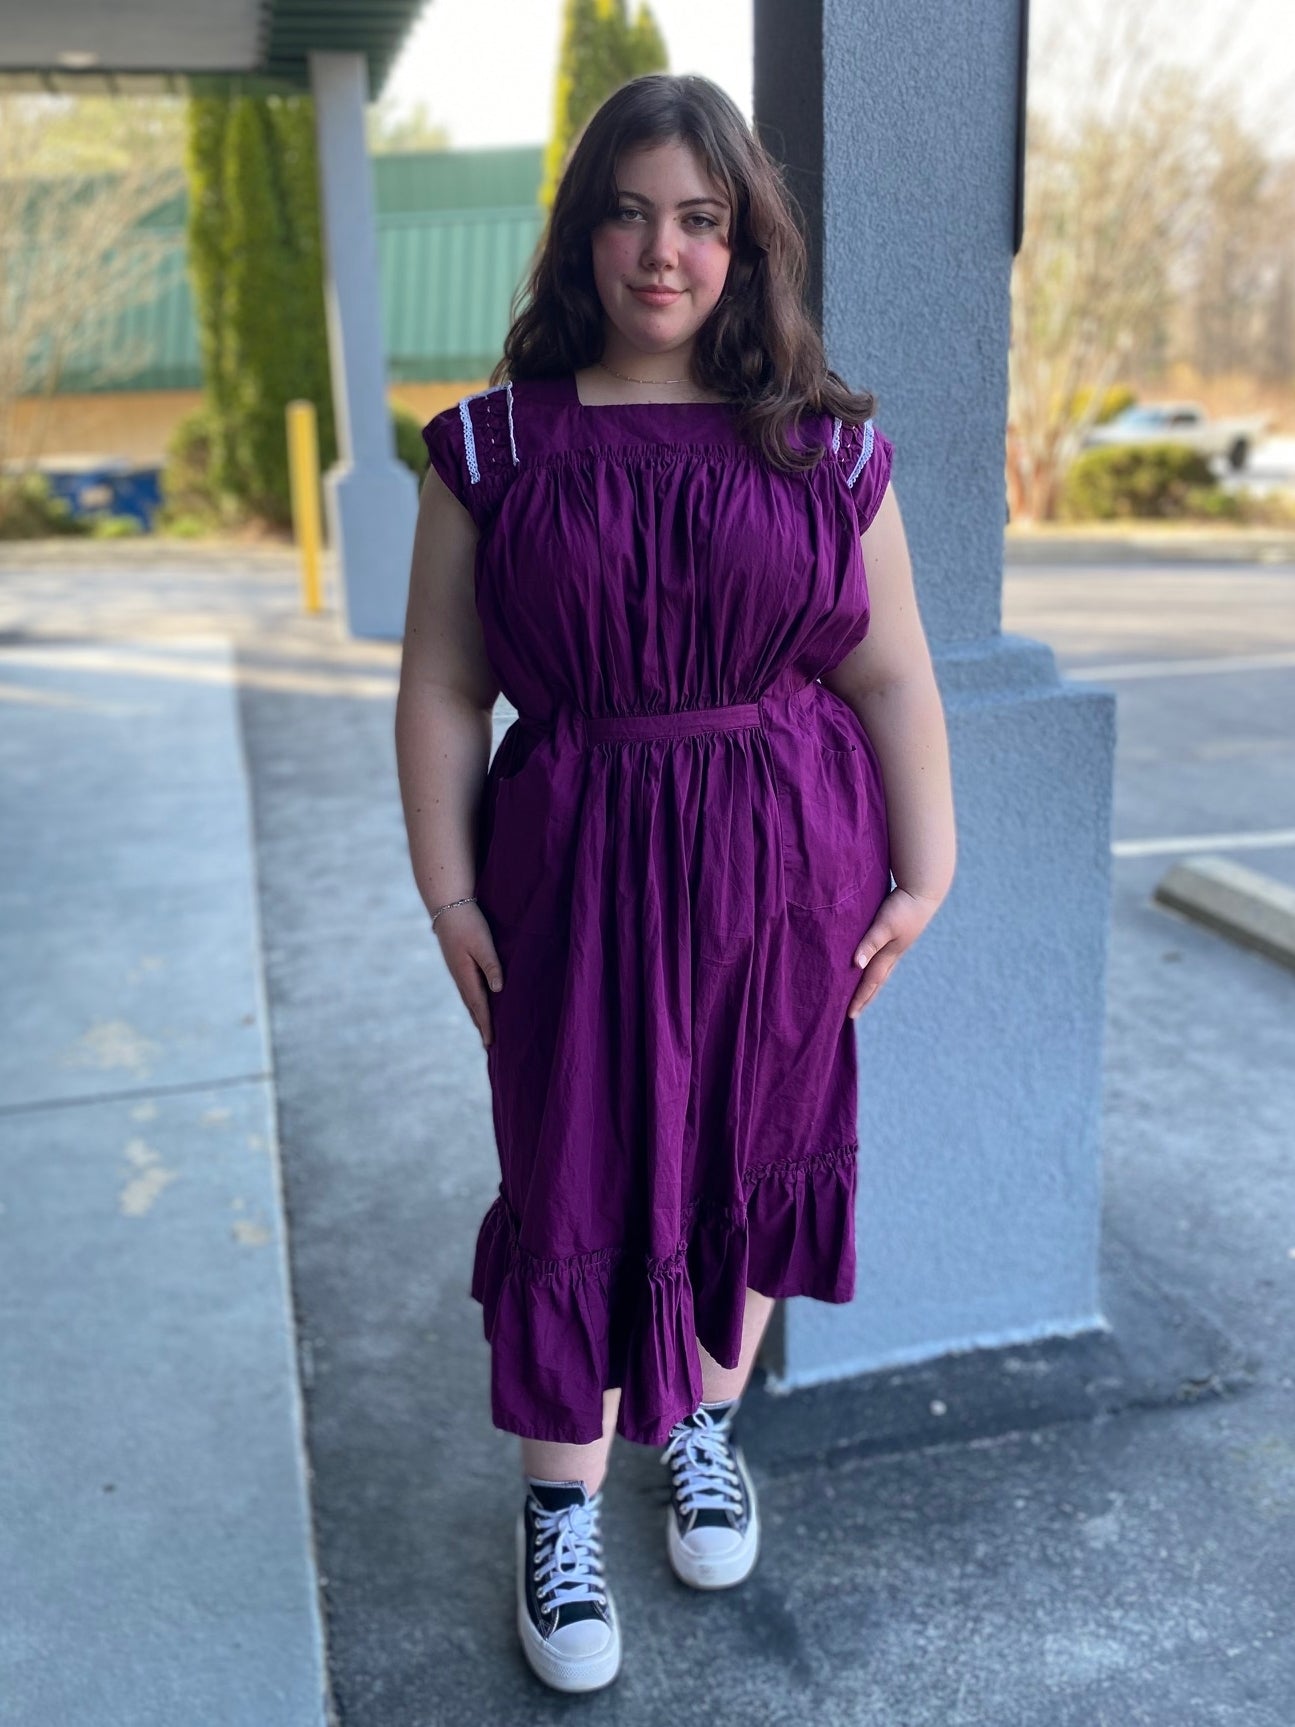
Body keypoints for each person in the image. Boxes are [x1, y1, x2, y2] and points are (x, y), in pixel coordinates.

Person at [395, 71, 956, 1695]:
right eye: (631, 213)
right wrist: (449, 892)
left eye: (701, 220)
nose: (664, 251)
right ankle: (560, 1513)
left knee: (757, 1153)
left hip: (790, 878)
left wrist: (930, 867)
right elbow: (442, 686)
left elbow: (895, 676)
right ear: (583, 237)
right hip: (571, 876)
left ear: (746, 245)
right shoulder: (492, 448)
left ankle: (701, 1427)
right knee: (573, 1168)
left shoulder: (829, 447)